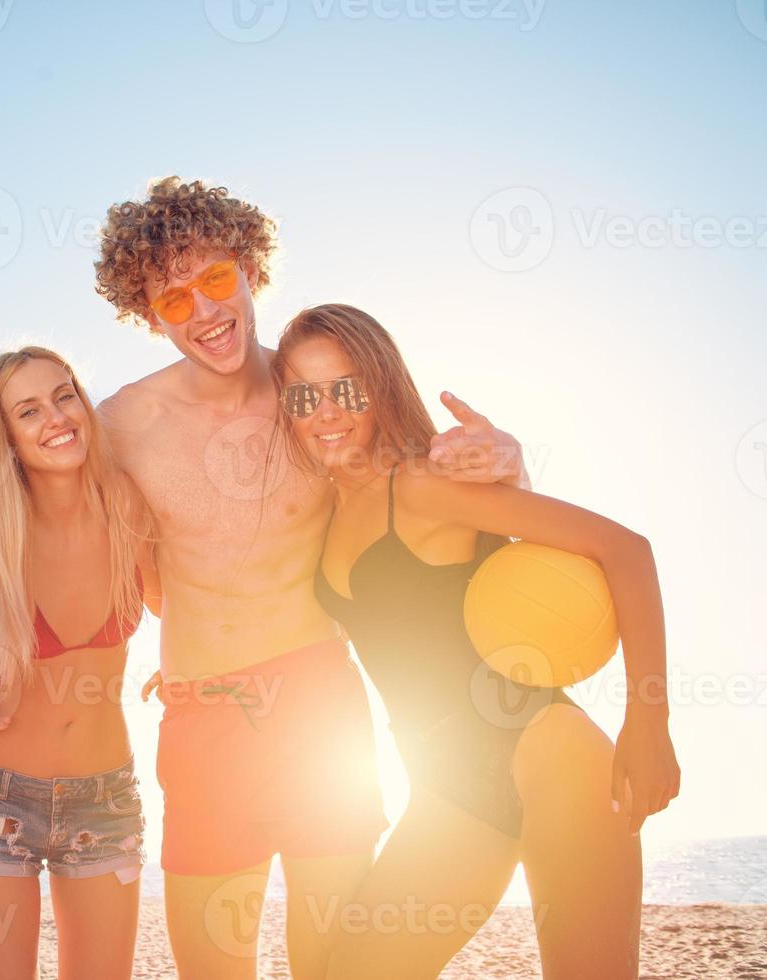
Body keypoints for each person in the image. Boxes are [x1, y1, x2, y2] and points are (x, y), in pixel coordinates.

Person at [90, 177, 526, 978]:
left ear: (251, 269)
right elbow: (61, 549)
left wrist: (511, 464)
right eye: (173, 299)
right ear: (145, 315)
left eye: (215, 279)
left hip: (320, 710)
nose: (204, 311)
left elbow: (421, 487)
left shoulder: (316, 397)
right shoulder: (120, 424)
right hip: (203, 718)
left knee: (332, 963)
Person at [275, 303, 679, 979]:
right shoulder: (323, 508)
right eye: (303, 395)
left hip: (548, 756)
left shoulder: (424, 482)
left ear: (379, 386)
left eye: (345, 389)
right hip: (446, 786)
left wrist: (649, 721)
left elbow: (623, 549)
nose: (326, 411)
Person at [0, 347, 159, 980]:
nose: (56, 418)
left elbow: (189, 593)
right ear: (5, 433)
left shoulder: (126, 501)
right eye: (28, 410)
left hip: (105, 798)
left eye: (64, 395)